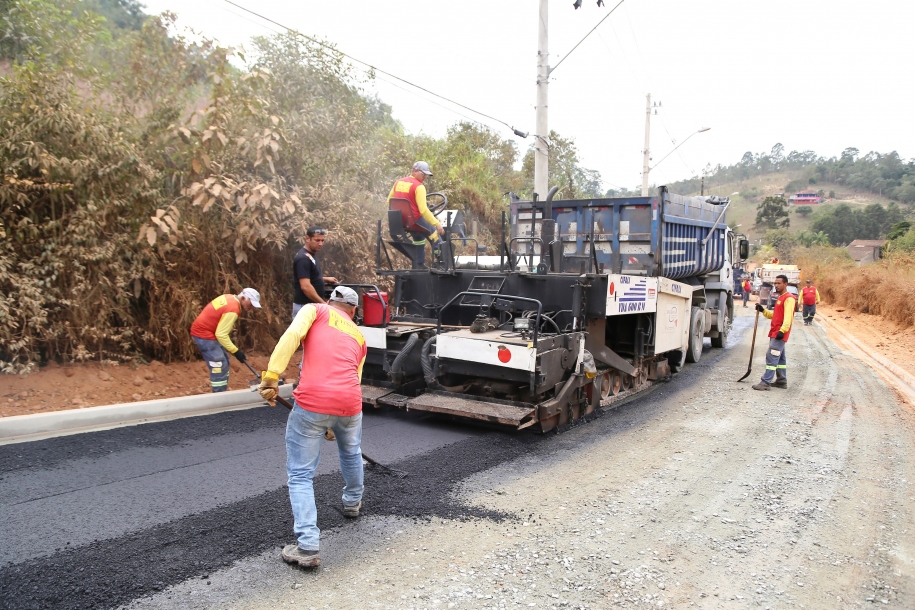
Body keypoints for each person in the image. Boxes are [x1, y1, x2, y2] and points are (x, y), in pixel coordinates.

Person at [258, 286, 367, 569]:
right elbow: (356, 376)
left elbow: (292, 336)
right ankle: (352, 503)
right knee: (352, 451)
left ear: (331, 301)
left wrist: (271, 376)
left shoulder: (315, 310)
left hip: (314, 401)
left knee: (300, 474)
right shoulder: (359, 336)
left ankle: (307, 545)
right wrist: (335, 419)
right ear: (353, 311)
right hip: (351, 404)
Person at [190, 288, 261, 392]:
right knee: (218, 364)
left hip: (208, 332)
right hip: (204, 334)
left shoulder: (229, 298)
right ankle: (218, 396)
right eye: (251, 304)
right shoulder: (233, 309)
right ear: (243, 298)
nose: (252, 307)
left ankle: (222, 392)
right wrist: (236, 351)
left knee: (225, 361)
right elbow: (221, 334)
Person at [388, 161, 444, 267]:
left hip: (400, 221)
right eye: (423, 174)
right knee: (435, 235)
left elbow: (390, 201)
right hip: (415, 220)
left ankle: (419, 264)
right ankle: (441, 263)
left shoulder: (398, 182)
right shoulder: (419, 187)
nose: (425, 177)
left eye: (426, 175)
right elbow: (423, 210)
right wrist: (437, 224)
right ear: (415, 171)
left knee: (418, 237)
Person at [752, 274, 796, 391]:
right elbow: (775, 315)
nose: (776, 285)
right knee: (780, 358)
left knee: (772, 355)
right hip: (774, 331)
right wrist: (763, 310)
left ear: (785, 284)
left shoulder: (789, 298)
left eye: (779, 283)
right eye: (775, 283)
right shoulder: (780, 298)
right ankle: (781, 381)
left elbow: (788, 317)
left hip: (779, 333)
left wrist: (783, 330)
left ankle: (765, 382)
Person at [292, 226, 339, 320]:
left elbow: (308, 277)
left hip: (311, 307)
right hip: (304, 307)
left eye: (322, 240)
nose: (320, 243)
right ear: (307, 238)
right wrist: (323, 304)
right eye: (317, 240)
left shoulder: (310, 255)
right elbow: (305, 286)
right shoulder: (303, 259)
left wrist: (325, 279)